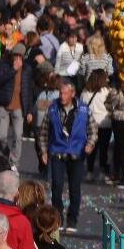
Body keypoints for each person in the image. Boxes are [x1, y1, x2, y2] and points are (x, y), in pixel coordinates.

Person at [44, 78, 92, 231]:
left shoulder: (83, 109)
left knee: (74, 188)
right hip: (57, 152)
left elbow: (93, 129)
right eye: (60, 93)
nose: (62, 96)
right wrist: (44, 150)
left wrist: (90, 143)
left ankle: (72, 220)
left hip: (76, 154)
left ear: (72, 94)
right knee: (56, 187)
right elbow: (44, 131)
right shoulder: (53, 108)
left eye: (65, 93)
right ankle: (57, 218)